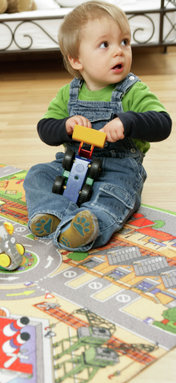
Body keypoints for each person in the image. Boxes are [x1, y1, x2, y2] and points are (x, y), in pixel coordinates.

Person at [23, 0, 172, 251]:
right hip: (72, 165)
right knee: (37, 175)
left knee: (112, 196)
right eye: (105, 44)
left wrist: (129, 121)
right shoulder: (68, 93)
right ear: (76, 60)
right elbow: (45, 128)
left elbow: (163, 123)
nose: (119, 51)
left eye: (125, 41)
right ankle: (53, 213)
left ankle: (90, 225)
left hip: (118, 170)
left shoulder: (133, 90)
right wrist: (66, 125)